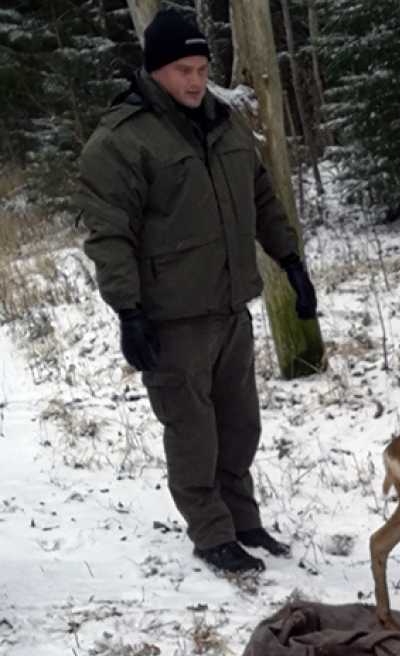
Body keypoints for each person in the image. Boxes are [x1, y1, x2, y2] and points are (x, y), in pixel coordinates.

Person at [74, 9, 318, 575]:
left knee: (240, 425)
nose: (195, 80)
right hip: (172, 317)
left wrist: (290, 261)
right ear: (155, 69)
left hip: (231, 306)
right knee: (194, 432)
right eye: (183, 69)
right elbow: (109, 234)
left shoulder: (224, 122)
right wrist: (129, 312)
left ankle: (243, 519)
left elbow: (260, 197)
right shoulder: (119, 141)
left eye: (203, 68)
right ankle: (211, 533)